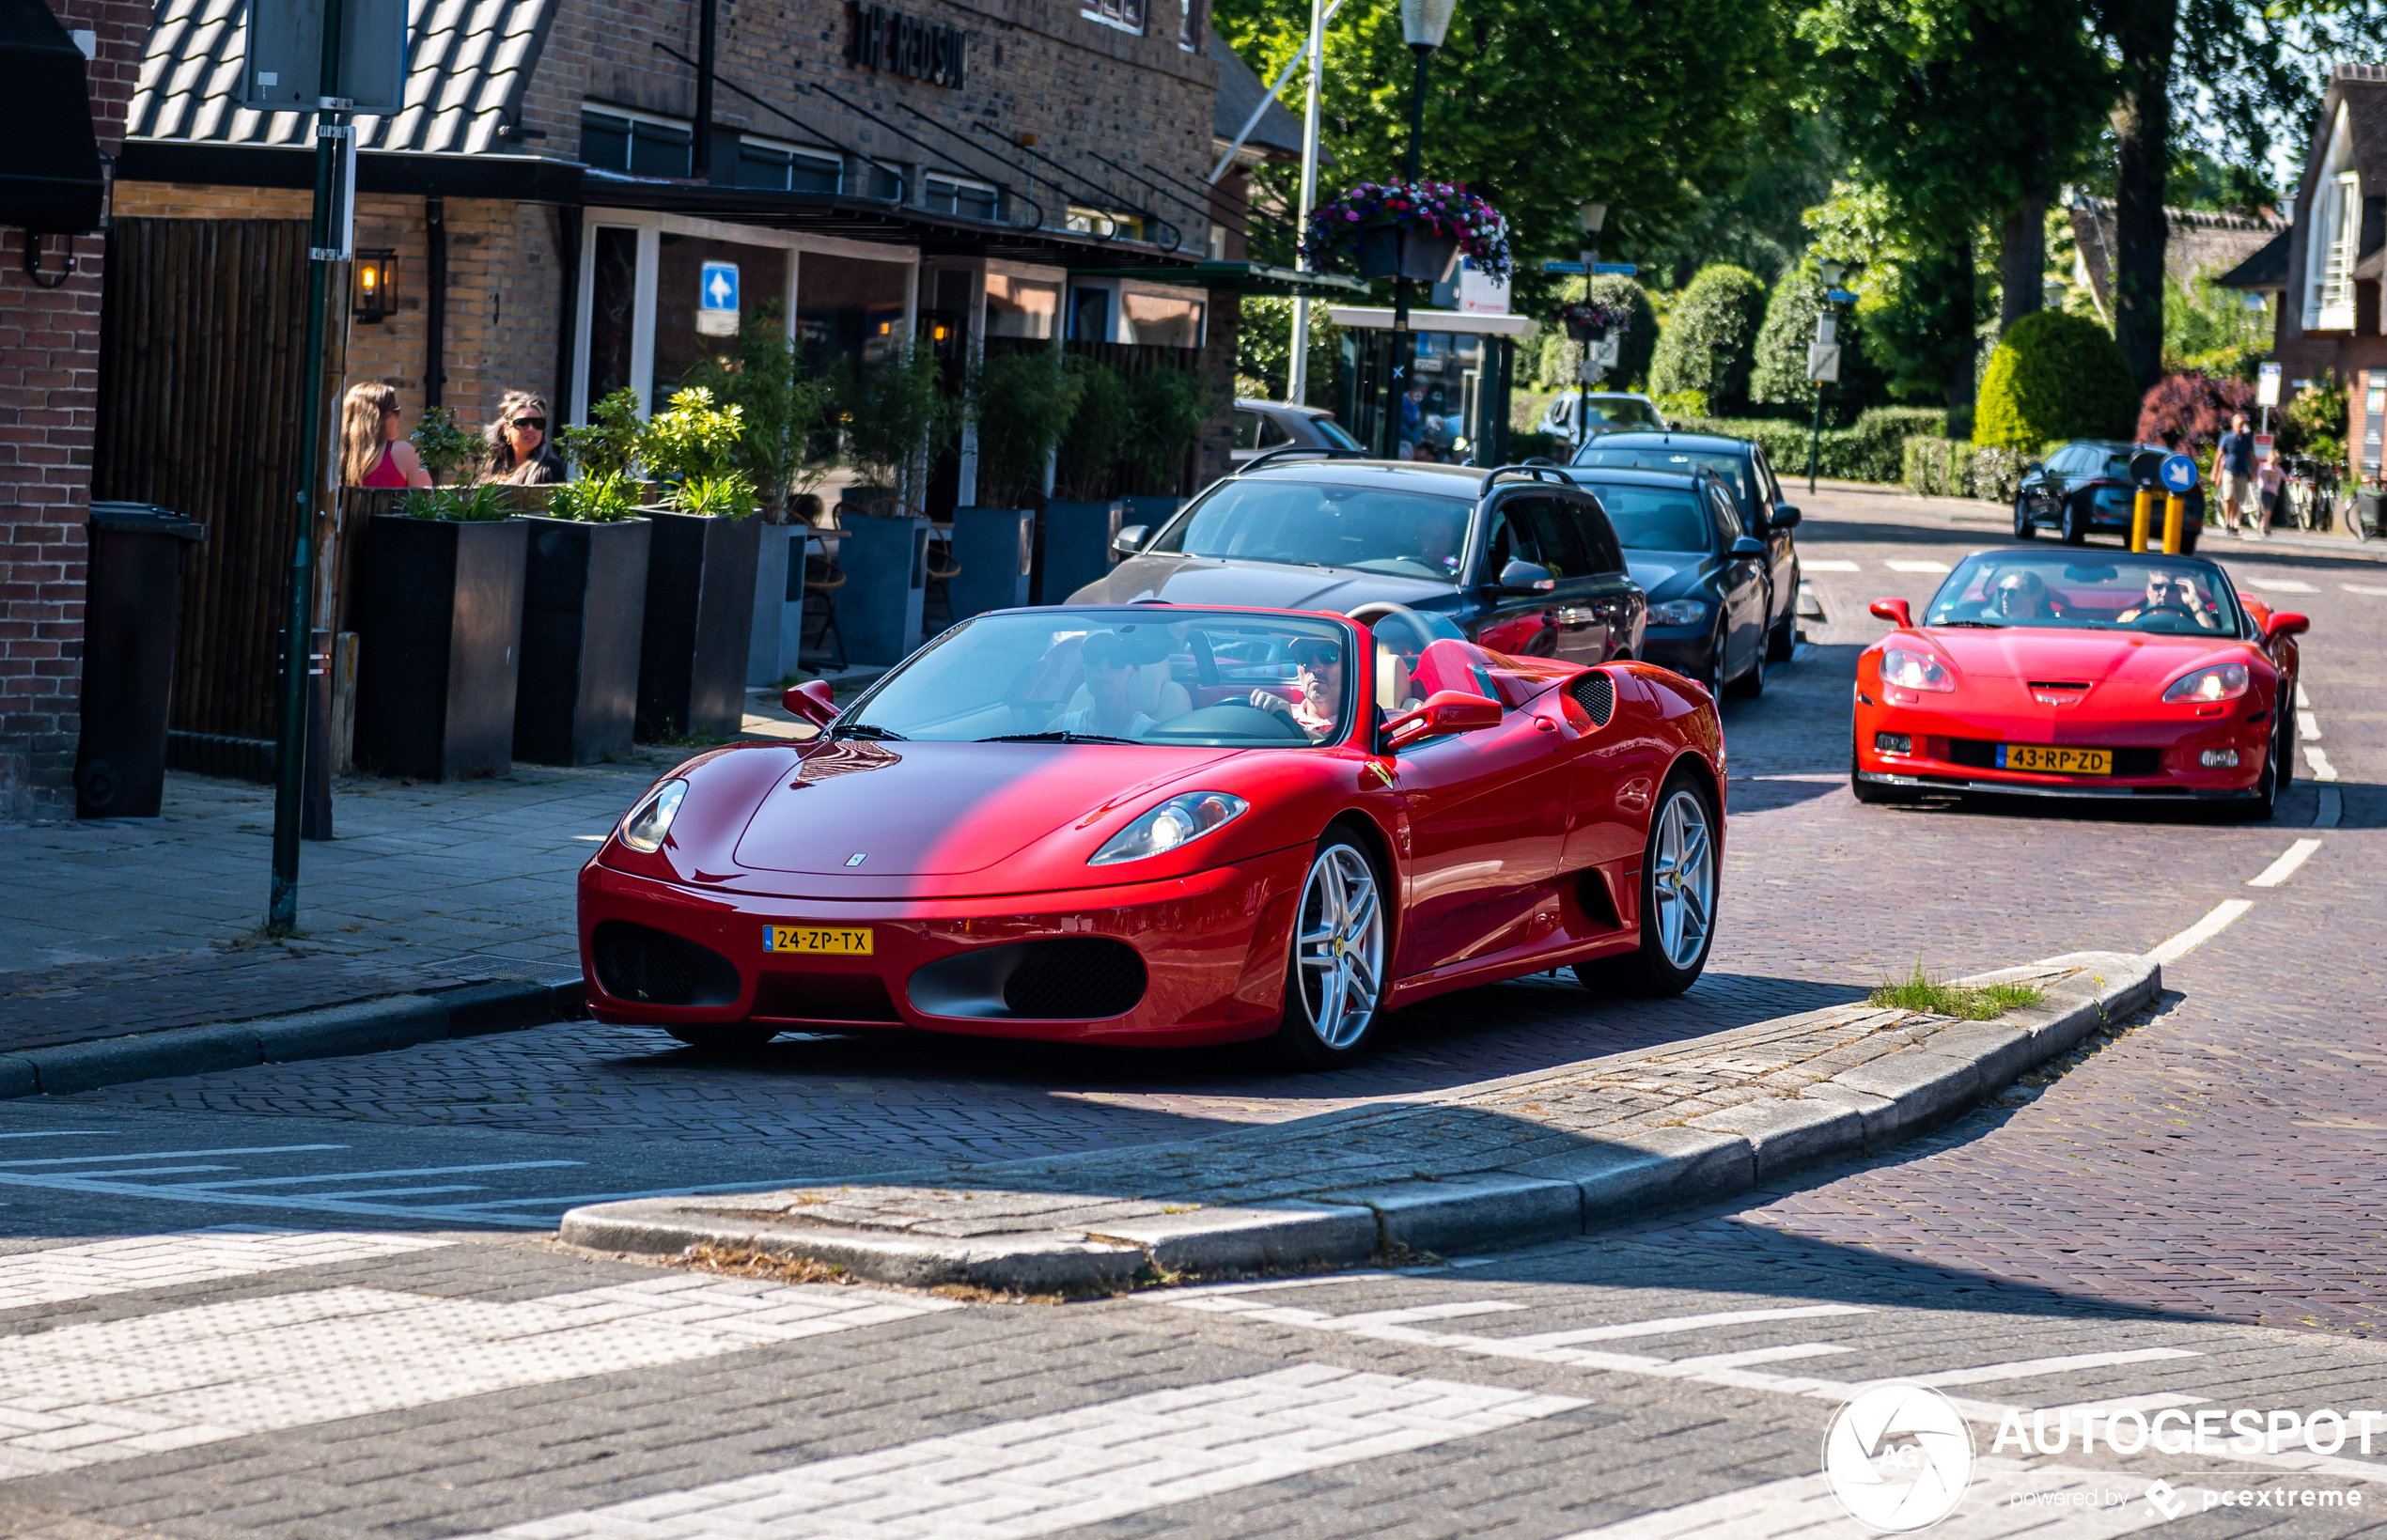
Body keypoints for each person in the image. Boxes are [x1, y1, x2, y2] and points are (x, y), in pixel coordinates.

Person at [1050, 632, 1154, 739]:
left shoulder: (1153, 736)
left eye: (1116, 657)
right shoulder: (1058, 729)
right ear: (1083, 663)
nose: (1102, 666)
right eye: (1092, 655)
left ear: (1135, 667)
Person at [338, 382, 432, 489]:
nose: (400, 418)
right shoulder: (403, 452)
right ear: (379, 416)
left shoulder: (336, 456)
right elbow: (428, 500)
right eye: (396, 411)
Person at [1249, 638, 1344, 741]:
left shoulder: (1359, 724)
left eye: (1328, 654)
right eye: (1304, 655)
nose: (1315, 667)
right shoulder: (1277, 715)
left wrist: (1292, 730)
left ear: (1350, 665)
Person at [477, 389, 564, 485]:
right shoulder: (493, 465)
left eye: (538, 423)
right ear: (507, 430)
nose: (531, 429)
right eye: (522, 423)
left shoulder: (551, 469)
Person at [2116, 568, 2222, 630]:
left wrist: (2195, 604)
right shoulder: (2129, 619)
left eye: (2172, 588)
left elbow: (2214, 644)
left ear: (2180, 592)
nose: (2165, 594)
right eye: (2158, 587)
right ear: (2149, 592)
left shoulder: (2194, 622)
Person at [2209, 413, 2258, 537]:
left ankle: (2232, 522)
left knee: (2238, 500)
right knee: (2228, 497)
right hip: (2228, 471)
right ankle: (2227, 522)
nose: (2241, 428)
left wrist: (2253, 471)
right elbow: (2219, 455)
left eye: (2242, 425)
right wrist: (2215, 472)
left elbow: (2251, 456)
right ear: (2233, 425)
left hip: (2242, 472)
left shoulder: (2247, 439)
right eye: (2238, 425)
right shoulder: (2226, 437)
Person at [1987, 568, 2063, 621]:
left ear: (2034, 598)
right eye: (2002, 591)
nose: (2004, 596)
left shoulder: (2054, 629)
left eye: (2012, 592)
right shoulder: (1986, 625)